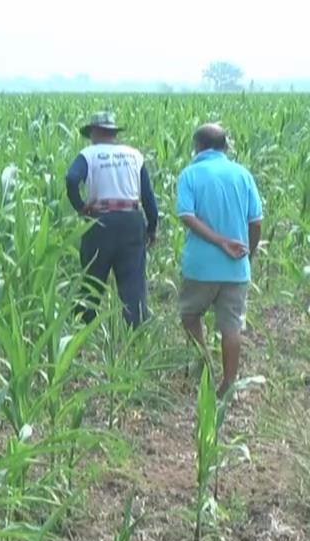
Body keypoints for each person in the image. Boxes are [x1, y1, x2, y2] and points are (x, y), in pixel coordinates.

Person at [175, 123, 262, 398]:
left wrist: (217, 241)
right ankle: (228, 385)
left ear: (197, 147)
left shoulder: (190, 174)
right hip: (237, 265)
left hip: (200, 266)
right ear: (225, 147)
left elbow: (186, 215)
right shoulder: (242, 174)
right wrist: (249, 251)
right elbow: (256, 221)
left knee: (190, 315)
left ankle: (204, 368)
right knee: (231, 326)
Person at [65, 111, 160, 327]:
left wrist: (80, 207)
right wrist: (151, 227)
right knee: (132, 283)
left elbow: (71, 179)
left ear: (95, 132)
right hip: (131, 220)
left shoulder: (88, 154)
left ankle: (82, 331)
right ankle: (136, 335)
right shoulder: (134, 155)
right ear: (113, 133)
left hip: (100, 221)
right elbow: (147, 196)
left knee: (92, 279)